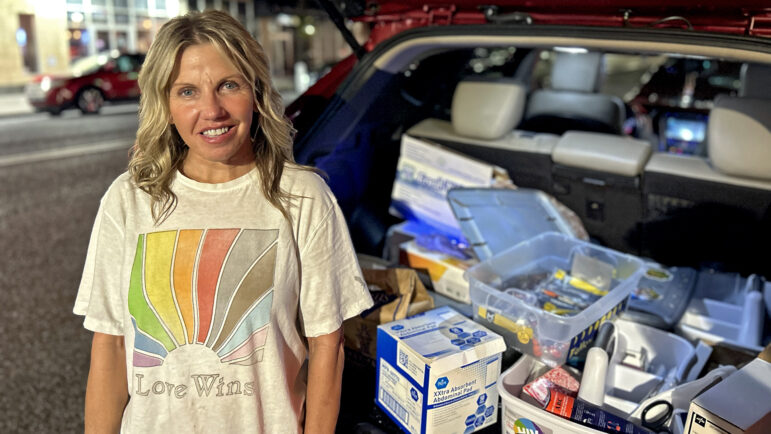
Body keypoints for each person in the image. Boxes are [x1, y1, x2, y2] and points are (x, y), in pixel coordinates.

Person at [73, 10, 373, 433]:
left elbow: (328, 344)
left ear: (255, 91)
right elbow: (110, 344)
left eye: (228, 85)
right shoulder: (128, 200)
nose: (211, 109)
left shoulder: (304, 198)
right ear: (165, 103)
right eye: (187, 91)